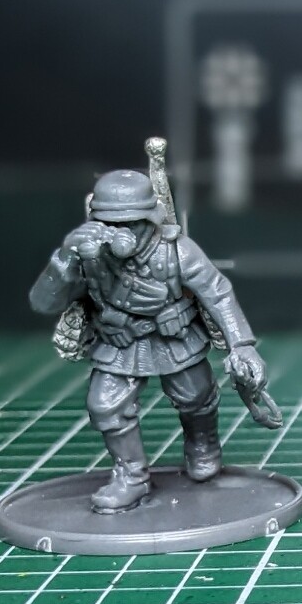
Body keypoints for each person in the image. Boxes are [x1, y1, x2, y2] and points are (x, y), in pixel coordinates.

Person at [29, 169, 268, 514]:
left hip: (174, 337)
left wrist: (241, 344)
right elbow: (44, 303)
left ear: (151, 219)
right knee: (104, 406)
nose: (121, 232)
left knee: (196, 395)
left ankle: (202, 443)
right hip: (119, 341)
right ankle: (131, 477)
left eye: (131, 222)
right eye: (111, 223)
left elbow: (217, 292)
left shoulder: (176, 251)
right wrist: (66, 257)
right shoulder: (88, 257)